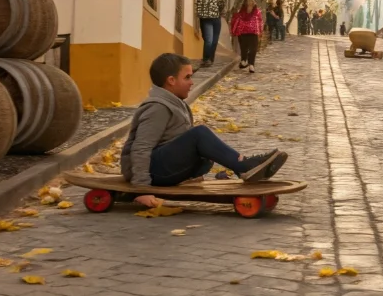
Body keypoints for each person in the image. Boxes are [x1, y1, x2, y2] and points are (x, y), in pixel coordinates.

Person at [120, 53, 287, 207]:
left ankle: (244, 167)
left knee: (206, 151)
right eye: (187, 77)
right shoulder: (158, 108)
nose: (192, 82)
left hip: (161, 167)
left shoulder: (176, 103)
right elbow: (141, 147)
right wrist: (141, 189)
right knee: (199, 134)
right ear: (171, 80)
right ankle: (244, 166)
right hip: (151, 171)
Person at [195, 0, 225, 67]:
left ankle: (210, 59)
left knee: (214, 41)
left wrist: (220, 10)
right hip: (206, 19)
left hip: (216, 19)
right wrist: (201, 15)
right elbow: (198, 4)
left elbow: (221, 5)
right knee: (209, 40)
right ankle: (206, 59)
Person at [231, 0, 264, 73]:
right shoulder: (241, 11)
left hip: (253, 32)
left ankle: (251, 65)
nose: (250, 2)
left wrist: (260, 32)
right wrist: (234, 30)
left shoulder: (257, 11)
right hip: (242, 32)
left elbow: (260, 21)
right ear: (245, 2)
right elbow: (236, 19)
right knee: (244, 48)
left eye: (251, 1)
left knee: (253, 49)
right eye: (248, 1)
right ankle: (243, 61)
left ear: (254, 2)